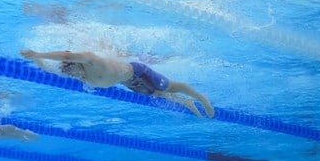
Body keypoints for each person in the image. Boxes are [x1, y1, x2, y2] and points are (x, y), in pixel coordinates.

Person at [20, 49, 214, 118]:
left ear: (75, 64)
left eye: (72, 70)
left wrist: (38, 53)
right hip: (129, 82)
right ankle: (187, 103)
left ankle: (200, 97)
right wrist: (36, 61)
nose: (74, 76)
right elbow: (47, 70)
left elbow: (66, 55)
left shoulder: (90, 61)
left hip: (138, 71)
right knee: (158, 95)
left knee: (169, 86)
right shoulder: (79, 75)